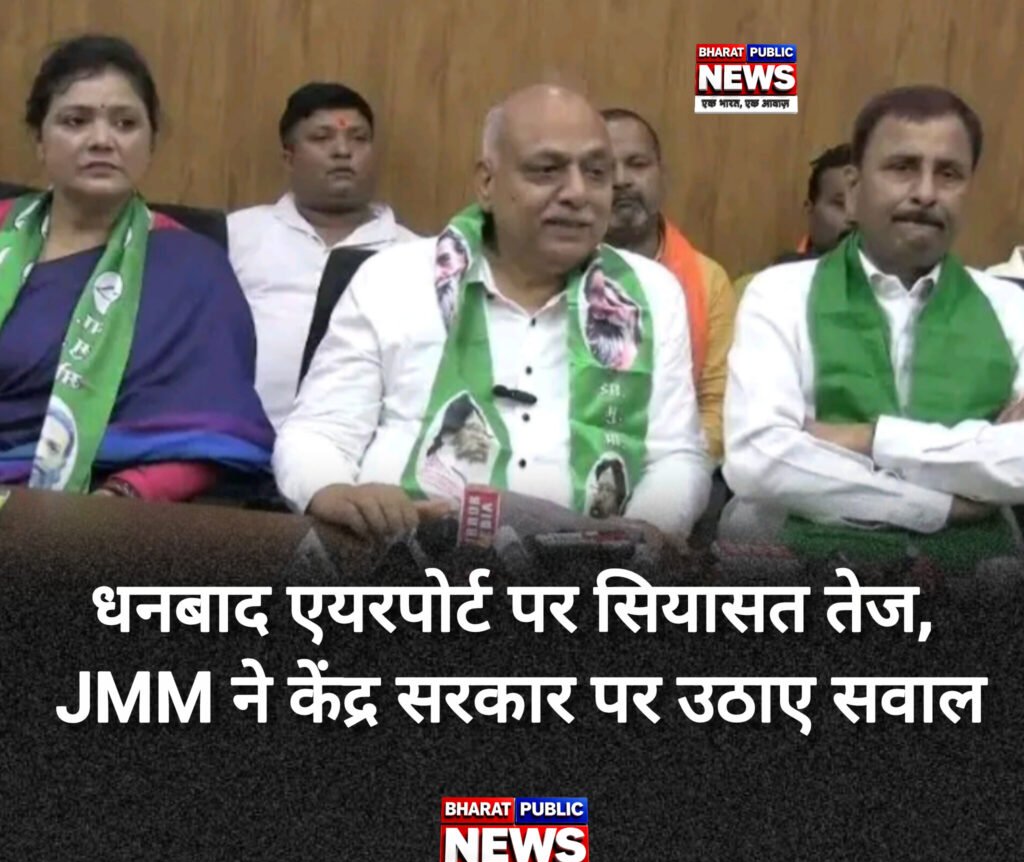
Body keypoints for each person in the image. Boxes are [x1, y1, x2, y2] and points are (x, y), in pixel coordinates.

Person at [274, 84, 711, 543]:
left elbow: (675, 458)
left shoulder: (650, 294)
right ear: (487, 183)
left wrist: (637, 539)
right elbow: (319, 432)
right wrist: (334, 491)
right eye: (547, 170)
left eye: (596, 173)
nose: (578, 193)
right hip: (400, 553)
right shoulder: (393, 279)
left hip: (587, 566)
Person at [722, 85, 1024, 567]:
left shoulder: (1010, 307)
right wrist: (938, 505)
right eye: (902, 167)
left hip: (980, 575)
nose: (926, 193)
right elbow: (759, 460)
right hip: (811, 569)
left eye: (949, 174)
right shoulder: (780, 293)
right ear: (854, 189)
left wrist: (869, 439)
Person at [0, 35, 272, 500]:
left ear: (149, 144)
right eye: (75, 121)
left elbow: (208, 436)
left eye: (125, 123)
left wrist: (123, 497)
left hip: (88, 513)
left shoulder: (192, 270)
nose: (101, 140)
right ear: (40, 141)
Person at [229, 82, 419, 429]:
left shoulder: (416, 256)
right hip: (241, 444)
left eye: (359, 138)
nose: (343, 151)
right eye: (322, 138)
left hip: (365, 449)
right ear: (289, 157)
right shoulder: (237, 236)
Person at [601, 107, 735, 460]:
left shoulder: (708, 280)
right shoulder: (551, 268)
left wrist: (668, 467)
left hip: (677, 461)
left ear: (662, 176)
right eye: (603, 168)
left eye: (637, 164)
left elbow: (716, 406)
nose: (621, 180)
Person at [733, 144, 854, 299]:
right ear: (810, 209)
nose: (854, 217)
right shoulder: (758, 289)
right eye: (840, 203)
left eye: (866, 206)